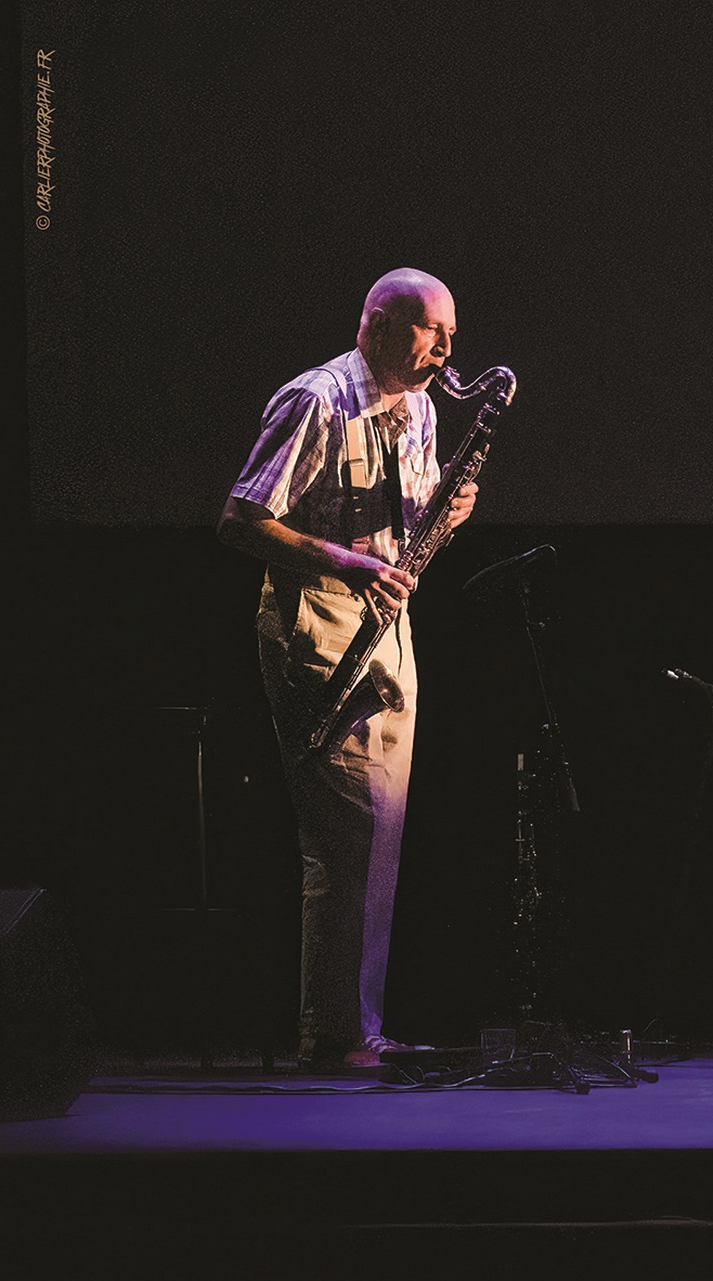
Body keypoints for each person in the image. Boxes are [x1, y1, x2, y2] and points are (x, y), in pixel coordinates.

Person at [218, 268, 477, 1071]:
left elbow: (413, 530)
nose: (444, 348)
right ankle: (335, 1037)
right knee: (347, 833)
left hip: (386, 621)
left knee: (379, 835)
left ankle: (352, 1028)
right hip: (316, 619)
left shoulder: (423, 409)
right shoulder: (317, 400)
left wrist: (451, 515)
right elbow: (239, 520)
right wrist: (344, 562)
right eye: (431, 329)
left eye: (451, 335)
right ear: (377, 323)